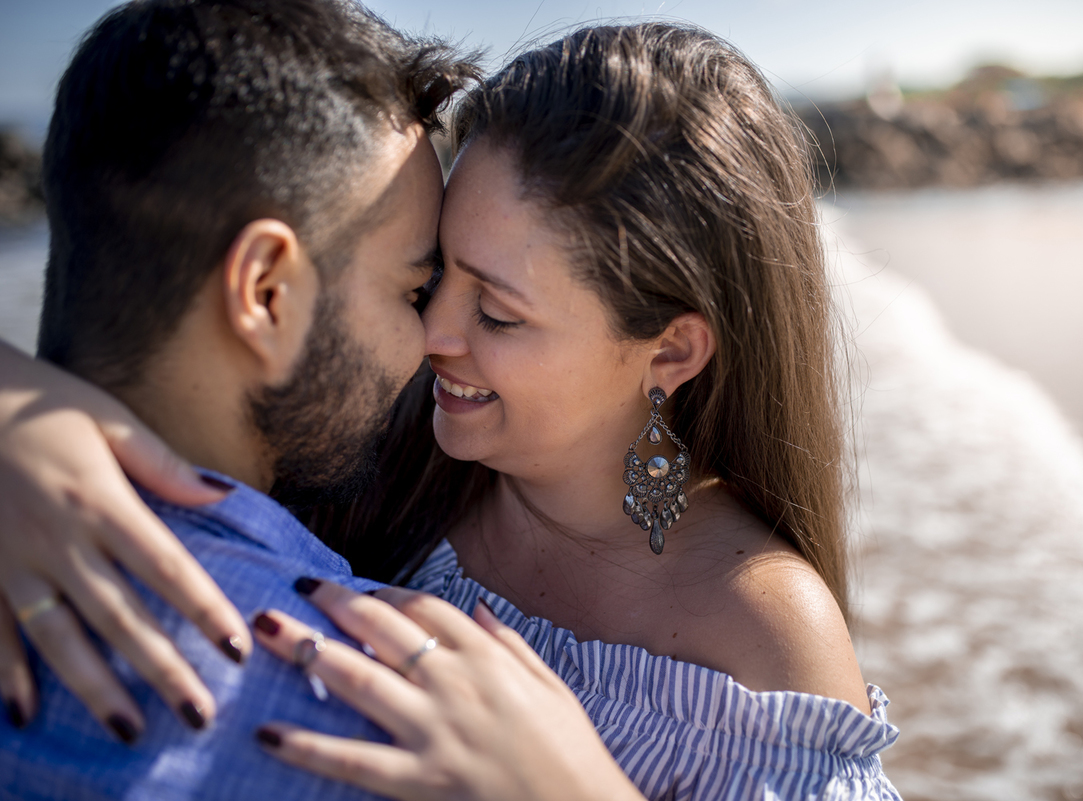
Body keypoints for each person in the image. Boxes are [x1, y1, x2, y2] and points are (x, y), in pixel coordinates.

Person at [0, 15, 903, 801]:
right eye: (427, 278)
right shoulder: (376, 451)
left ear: (668, 350)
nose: (431, 333)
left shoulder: (761, 631)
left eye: (498, 312)